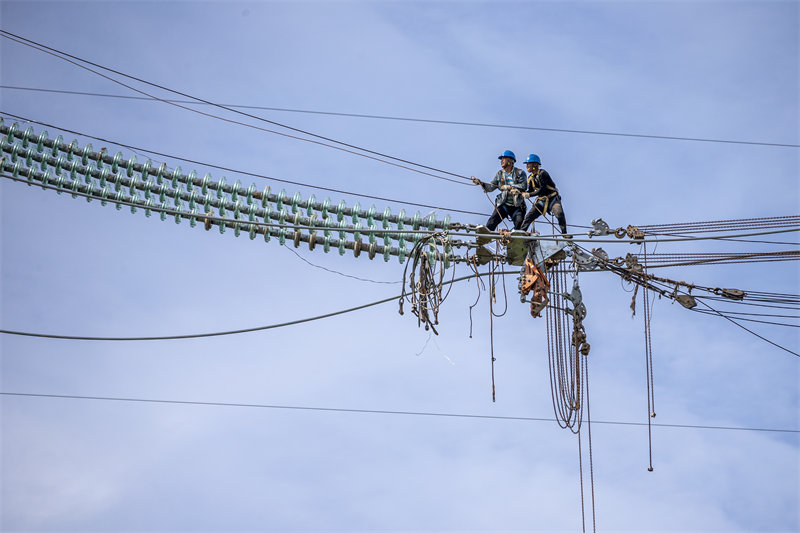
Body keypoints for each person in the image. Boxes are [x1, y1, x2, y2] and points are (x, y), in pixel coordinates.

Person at [471, 150, 528, 230]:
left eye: (503, 158)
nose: (501, 161)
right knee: (491, 222)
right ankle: (485, 238)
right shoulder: (500, 174)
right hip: (504, 204)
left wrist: (510, 187)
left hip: (517, 206)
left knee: (520, 224)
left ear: (510, 161)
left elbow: (524, 186)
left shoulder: (520, 173)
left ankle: (514, 239)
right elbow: (491, 187)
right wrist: (481, 183)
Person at [520, 153, 569, 235]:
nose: (527, 165)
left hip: (553, 199)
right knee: (529, 216)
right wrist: (522, 193)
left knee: (559, 214)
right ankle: (521, 233)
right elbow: (530, 190)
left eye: (528, 163)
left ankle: (564, 234)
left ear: (535, 164)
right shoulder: (531, 178)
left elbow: (543, 189)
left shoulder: (543, 174)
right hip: (542, 201)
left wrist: (529, 195)